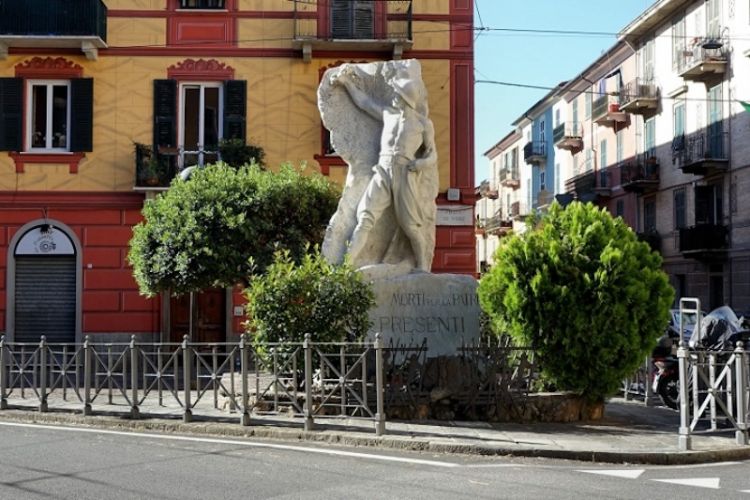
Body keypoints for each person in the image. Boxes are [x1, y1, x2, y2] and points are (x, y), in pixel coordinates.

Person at [330, 62, 438, 272]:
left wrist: (421, 163)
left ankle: (423, 266)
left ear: (406, 98)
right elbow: (364, 103)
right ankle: (346, 266)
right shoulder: (389, 114)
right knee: (365, 217)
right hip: (382, 169)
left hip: (405, 173)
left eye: (397, 93)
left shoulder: (423, 124)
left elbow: (432, 154)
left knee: (410, 225)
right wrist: (346, 84)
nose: (394, 95)